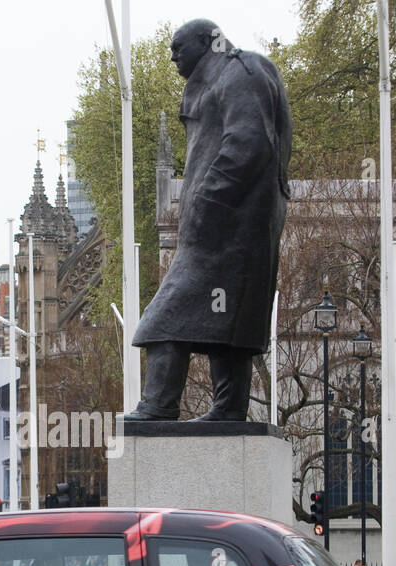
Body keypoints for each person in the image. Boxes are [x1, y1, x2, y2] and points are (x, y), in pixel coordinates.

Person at [122, 18, 292, 423]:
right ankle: (229, 409)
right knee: (228, 323)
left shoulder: (239, 71)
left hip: (225, 226)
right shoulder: (234, 73)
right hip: (237, 225)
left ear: (207, 41)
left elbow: (249, 142)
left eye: (179, 46)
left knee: (164, 319)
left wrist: (205, 201)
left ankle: (159, 404)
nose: (172, 55)